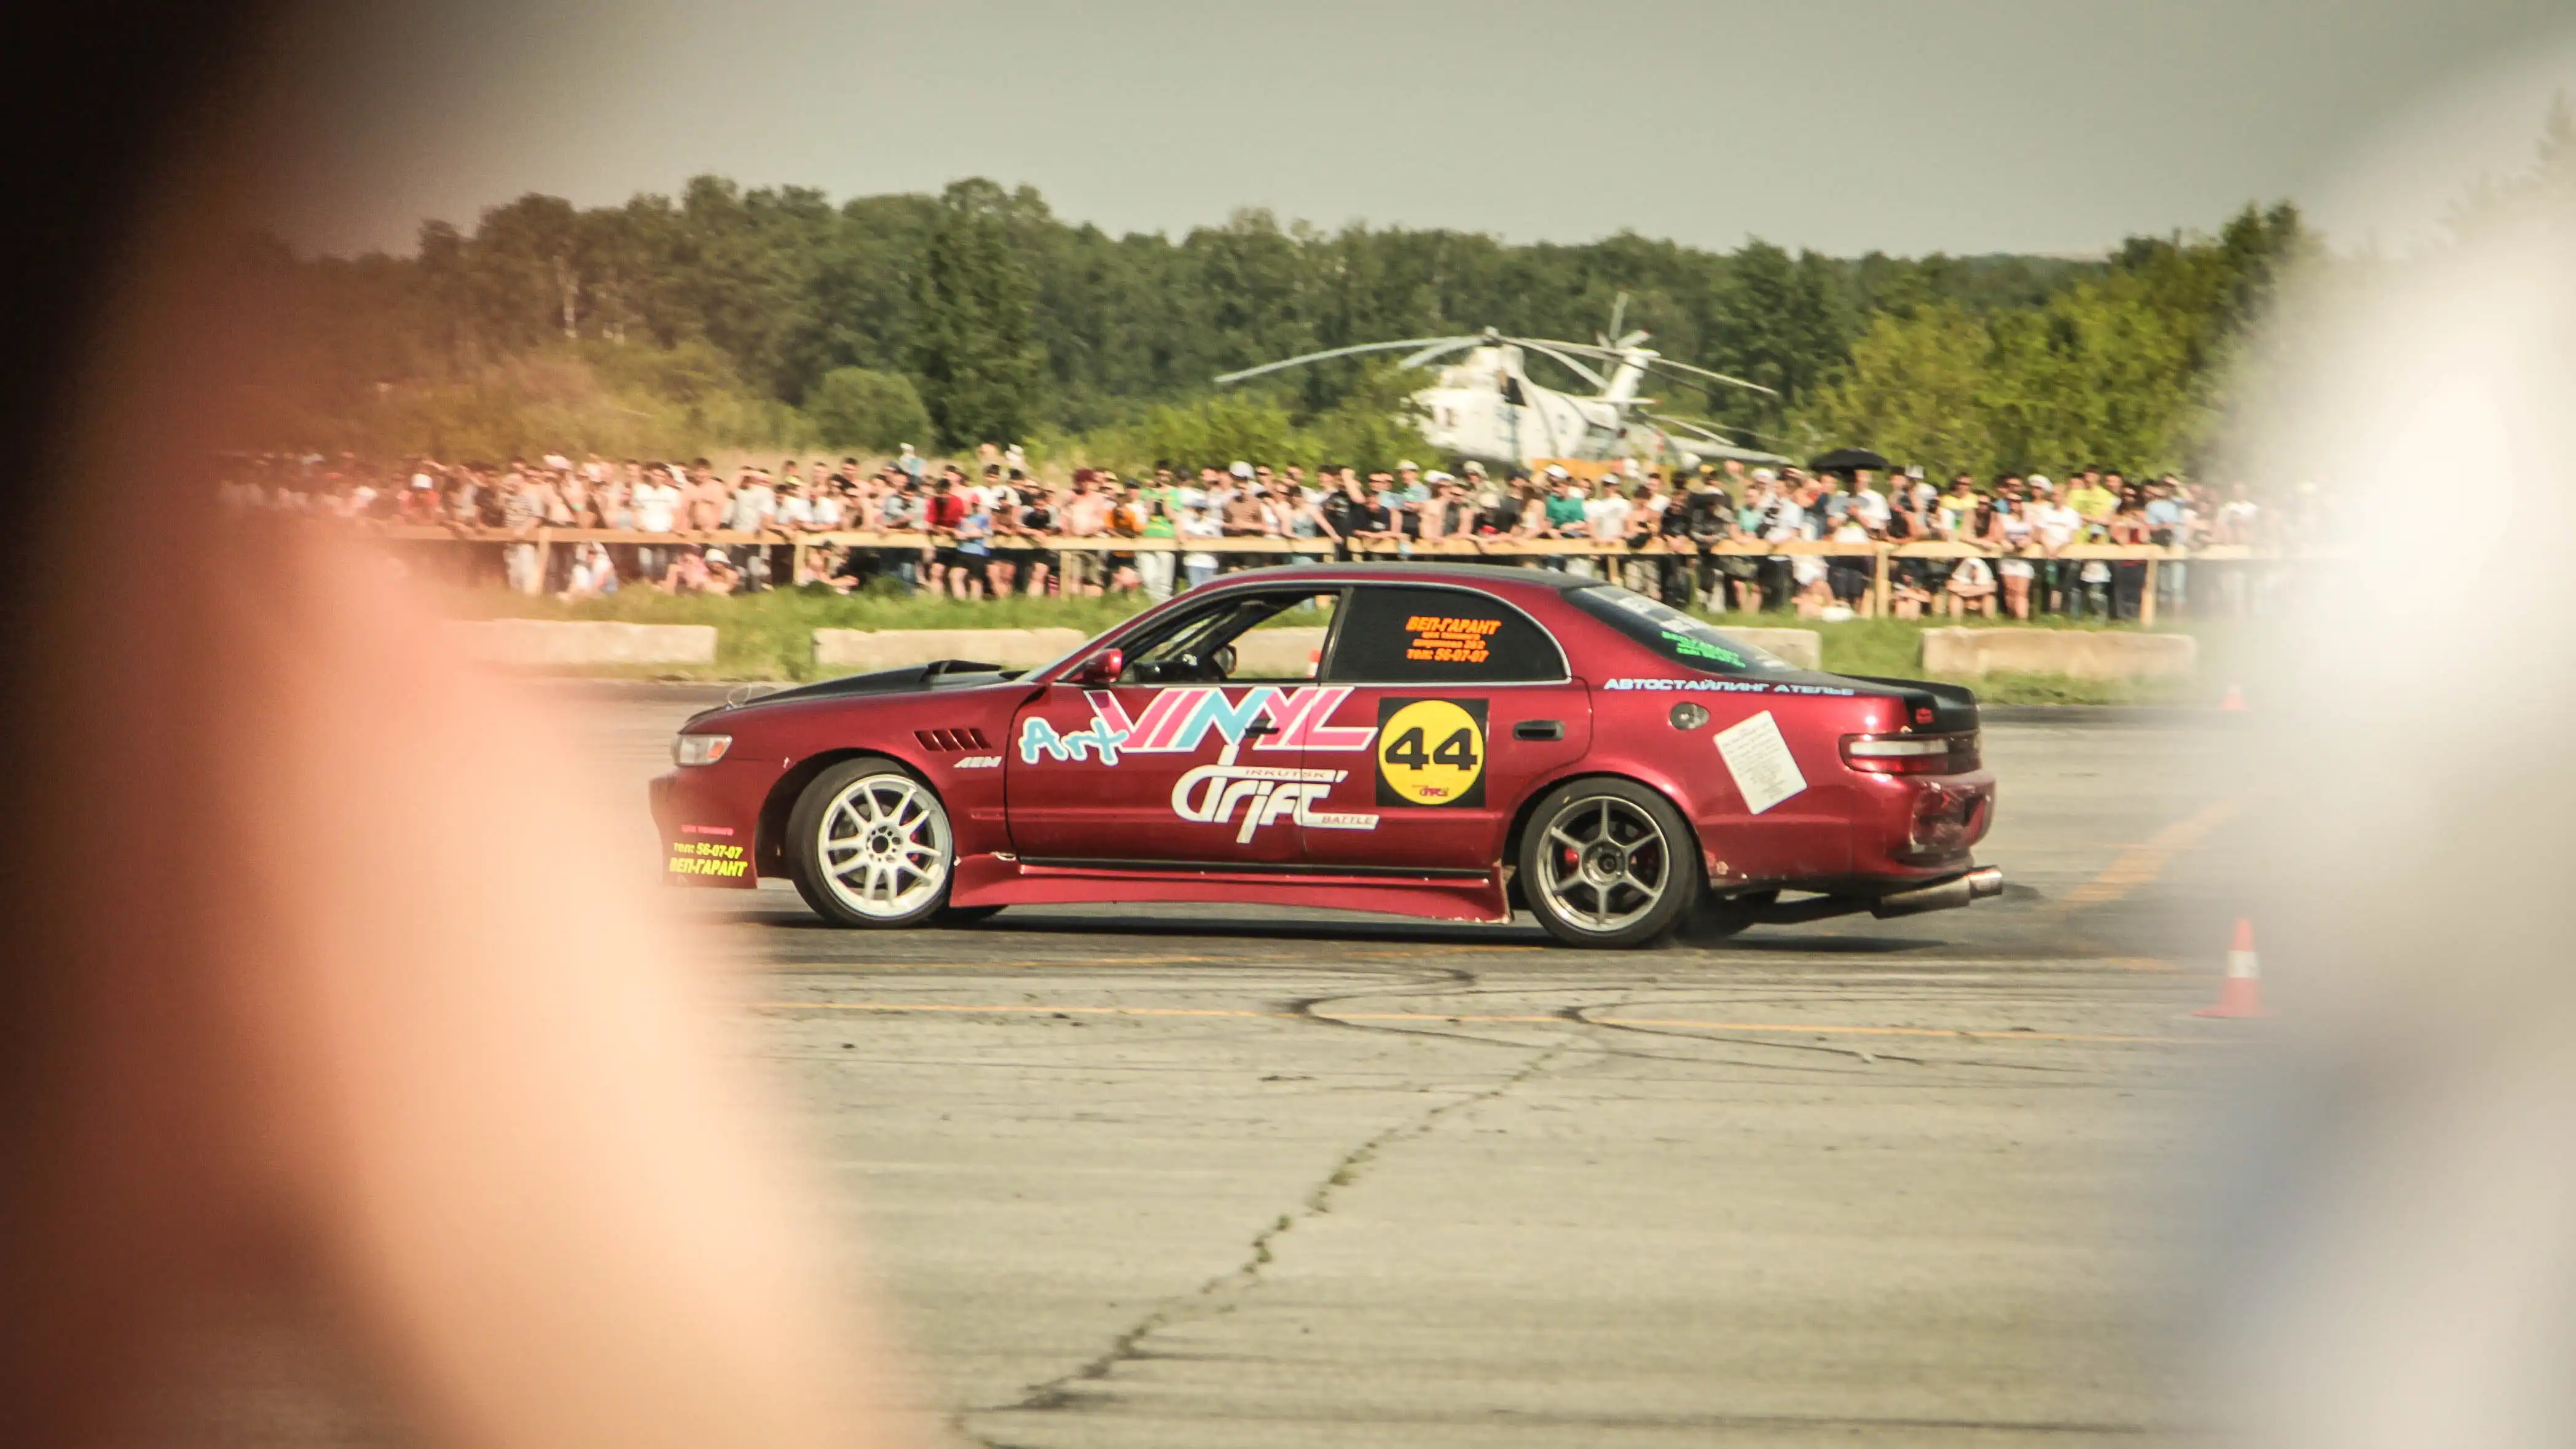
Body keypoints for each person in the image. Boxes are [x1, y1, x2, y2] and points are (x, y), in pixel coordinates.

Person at [1177, 502, 1223, 591]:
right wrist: (1201, 537)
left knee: (1209, 591)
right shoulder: (1187, 522)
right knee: (1194, 590)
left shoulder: (1212, 524)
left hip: (1210, 563)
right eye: (1197, 510)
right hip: (1192, 562)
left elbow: (1219, 541)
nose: (1200, 512)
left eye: (1202, 510)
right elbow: (1183, 534)